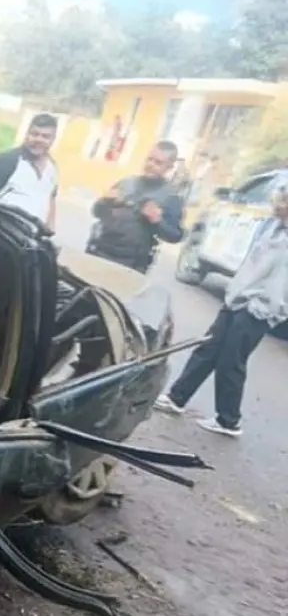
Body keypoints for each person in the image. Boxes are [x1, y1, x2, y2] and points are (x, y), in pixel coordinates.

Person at [154, 177, 288, 437]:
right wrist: (236, 294)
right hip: (239, 298)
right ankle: (177, 397)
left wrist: (263, 306)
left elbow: (280, 282)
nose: (278, 203)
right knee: (209, 347)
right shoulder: (271, 226)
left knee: (231, 360)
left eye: (284, 200)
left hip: (259, 307)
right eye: (279, 197)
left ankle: (229, 420)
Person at [88, 140, 186, 273]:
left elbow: (175, 235)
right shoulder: (126, 183)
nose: (151, 165)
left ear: (169, 167)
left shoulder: (170, 197)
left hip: (130, 265)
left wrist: (157, 221)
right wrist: (104, 201)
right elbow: (96, 212)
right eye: (149, 159)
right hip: (99, 253)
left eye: (158, 163)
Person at [0, 113, 60, 232]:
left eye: (45, 136)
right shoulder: (7, 160)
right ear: (27, 134)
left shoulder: (52, 168)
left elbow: (51, 198)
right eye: (34, 134)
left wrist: (50, 229)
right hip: (2, 235)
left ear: (53, 140)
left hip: (31, 240)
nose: (38, 140)